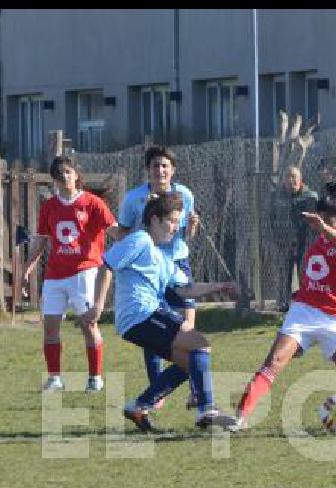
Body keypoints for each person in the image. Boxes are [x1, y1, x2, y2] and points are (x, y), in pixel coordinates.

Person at [228, 181, 336, 432]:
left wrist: (326, 230)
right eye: (320, 220)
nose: (321, 228)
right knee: (273, 363)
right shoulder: (316, 247)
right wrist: (301, 292)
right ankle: (241, 417)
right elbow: (316, 279)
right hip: (304, 313)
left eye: (327, 221)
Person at [83, 192, 237, 431]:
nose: (176, 228)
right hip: (141, 313)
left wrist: (220, 287)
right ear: (154, 219)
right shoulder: (140, 240)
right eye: (172, 221)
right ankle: (206, 409)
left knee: (190, 363)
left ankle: (139, 406)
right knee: (199, 343)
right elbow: (107, 265)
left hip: (141, 319)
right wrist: (98, 306)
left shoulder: (162, 256)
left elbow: (186, 290)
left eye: (178, 222)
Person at [23, 155, 120, 392]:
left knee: (88, 324)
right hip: (55, 275)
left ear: (76, 175)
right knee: (50, 327)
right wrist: (28, 266)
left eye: (68, 172)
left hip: (84, 272)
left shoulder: (93, 203)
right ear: (54, 179)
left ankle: (95, 378)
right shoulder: (49, 207)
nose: (64, 177)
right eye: (59, 174)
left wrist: (135, 244)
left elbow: (115, 231)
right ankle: (55, 378)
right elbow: (42, 241)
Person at [118, 145, 200, 408]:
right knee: (154, 327)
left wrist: (192, 229)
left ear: (173, 170)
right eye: (155, 165)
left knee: (189, 326)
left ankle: (195, 390)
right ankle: (156, 392)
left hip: (177, 263)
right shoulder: (134, 199)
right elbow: (122, 234)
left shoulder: (184, 194)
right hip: (150, 268)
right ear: (148, 169)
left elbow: (185, 232)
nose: (160, 170)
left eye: (165, 165)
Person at [280, 165, 318, 311]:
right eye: (288, 177)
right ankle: (284, 304)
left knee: (305, 275)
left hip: (305, 242)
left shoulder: (310, 197)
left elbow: (317, 223)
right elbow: (270, 218)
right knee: (285, 276)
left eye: (293, 177)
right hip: (285, 242)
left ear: (300, 179)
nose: (290, 180)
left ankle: (307, 305)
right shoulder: (278, 198)